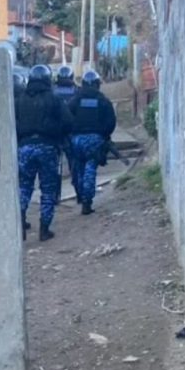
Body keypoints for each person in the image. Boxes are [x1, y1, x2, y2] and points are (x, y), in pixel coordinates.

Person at [15, 64, 73, 241]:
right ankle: (44, 229)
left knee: (24, 186)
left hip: (24, 147)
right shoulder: (54, 99)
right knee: (48, 189)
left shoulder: (19, 100)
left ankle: (20, 222)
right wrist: (58, 134)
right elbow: (68, 122)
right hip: (48, 147)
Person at [69, 70, 116, 215]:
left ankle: (80, 195)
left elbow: (67, 118)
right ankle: (87, 202)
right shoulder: (103, 100)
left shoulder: (75, 100)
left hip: (76, 140)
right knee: (90, 169)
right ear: (97, 84)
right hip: (95, 140)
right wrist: (104, 135)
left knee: (78, 169)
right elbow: (111, 122)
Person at [53, 66, 81, 203]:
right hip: (71, 133)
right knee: (74, 165)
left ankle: (55, 196)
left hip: (55, 134)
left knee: (55, 166)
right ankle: (79, 194)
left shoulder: (52, 91)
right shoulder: (77, 91)